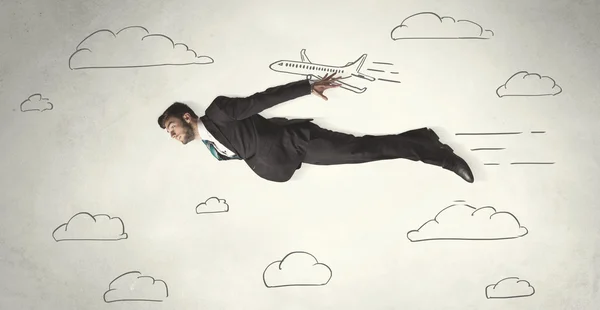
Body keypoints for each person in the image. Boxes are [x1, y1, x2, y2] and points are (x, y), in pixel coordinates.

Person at [157, 74, 474, 183]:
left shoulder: (218, 112)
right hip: (291, 159)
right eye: (167, 134)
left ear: (187, 117)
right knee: (364, 152)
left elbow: (260, 101)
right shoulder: (212, 148)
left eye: (171, 126)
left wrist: (306, 87)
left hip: (298, 142)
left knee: (362, 151)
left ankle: (440, 155)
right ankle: (423, 140)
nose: (171, 135)